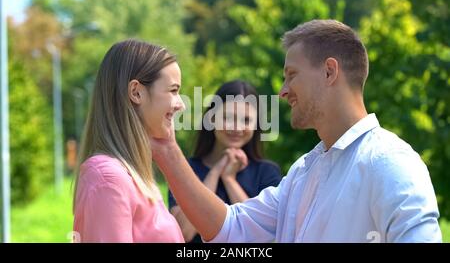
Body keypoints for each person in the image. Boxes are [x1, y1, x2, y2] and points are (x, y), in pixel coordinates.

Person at [151, 19, 442, 243]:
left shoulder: (390, 162)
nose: (282, 91)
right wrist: (166, 148)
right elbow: (231, 226)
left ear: (329, 72)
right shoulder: (304, 172)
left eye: (291, 75)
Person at [73, 39, 186, 242]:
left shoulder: (132, 175)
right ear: (136, 92)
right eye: (173, 90)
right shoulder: (108, 177)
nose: (181, 105)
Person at [168, 80, 282, 242]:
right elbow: (183, 233)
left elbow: (261, 235)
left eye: (246, 120)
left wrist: (229, 180)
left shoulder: (267, 172)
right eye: (229, 117)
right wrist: (216, 172)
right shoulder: (184, 168)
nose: (237, 127)